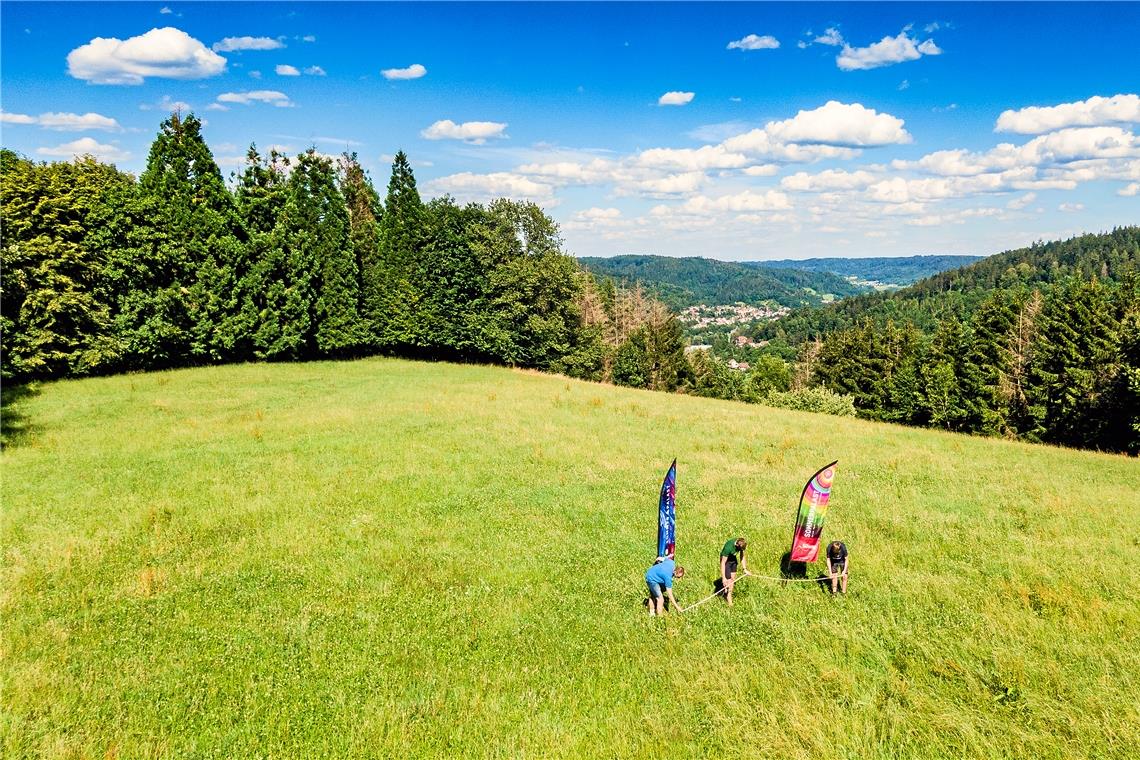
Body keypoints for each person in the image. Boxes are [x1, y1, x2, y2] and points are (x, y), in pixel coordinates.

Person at [719, 537, 748, 606]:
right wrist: (723, 578)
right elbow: (722, 563)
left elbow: (742, 556)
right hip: (726, 562)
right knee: (728, 580)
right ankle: (729, 599)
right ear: (737, 545)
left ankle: (728, 592)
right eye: (739, 549)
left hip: (733, 560)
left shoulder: (741, 543)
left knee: (732, 579)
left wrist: (745, 569)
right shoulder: (728, 548)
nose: (740, 551)